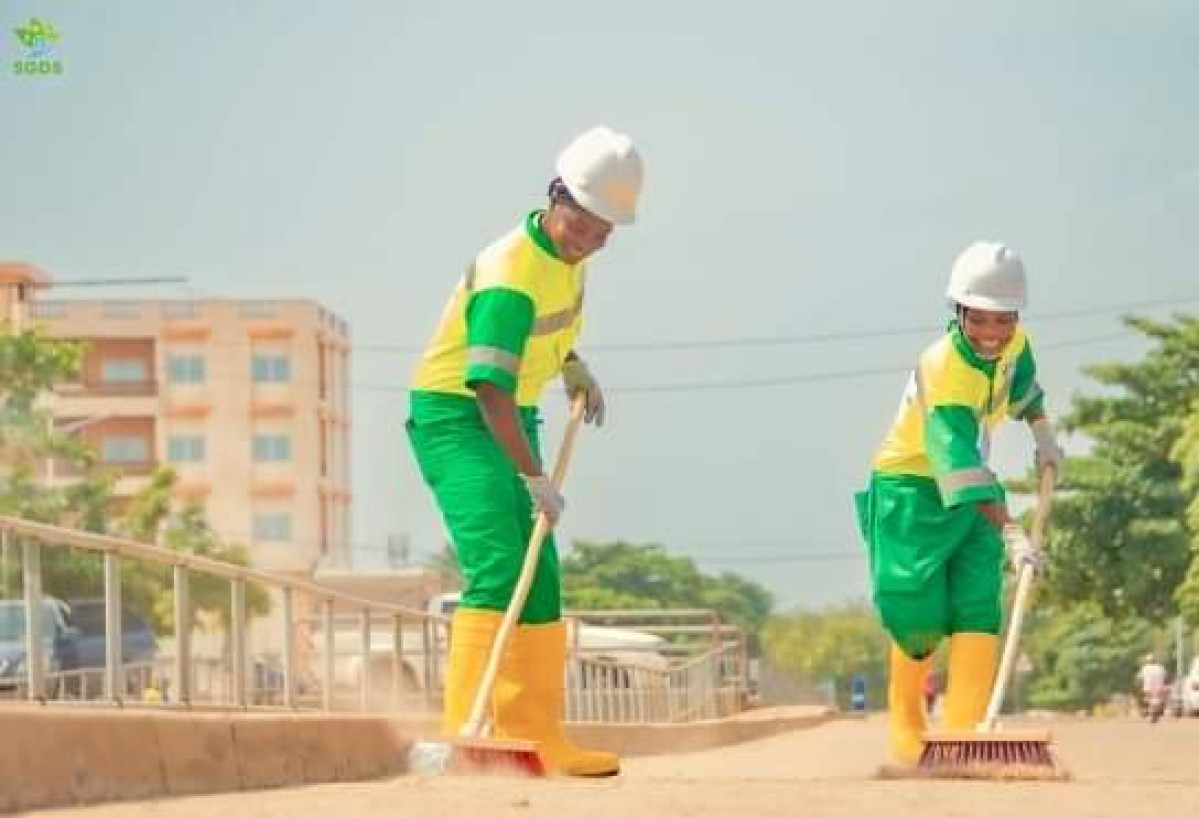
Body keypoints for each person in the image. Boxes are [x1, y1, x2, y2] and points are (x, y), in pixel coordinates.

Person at [407, 126, 643, 777]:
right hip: (458, 417)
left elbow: (545, 333)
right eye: (583, 224)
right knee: (498, 564)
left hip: (516, 413)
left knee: (539, 574)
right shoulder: (510, 271)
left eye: (603, 232)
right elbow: (486, 387)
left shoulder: (566, 262)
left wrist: (571, 363)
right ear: (555, 196)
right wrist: (533, 475)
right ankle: (467, 734)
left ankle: (539, 736)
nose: (589, 240)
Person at [854, 241, 1064, 765]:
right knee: (918, 615)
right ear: (959, 312)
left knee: (977, 606)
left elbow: (1023, 389)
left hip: (976, 490)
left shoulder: (1016, 346)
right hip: (914, 489)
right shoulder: (944, 367)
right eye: (981, 321)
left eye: (1004, 321)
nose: (993, 335)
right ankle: (909, 731)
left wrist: (1041, 430)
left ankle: (966, 735)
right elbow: (960, 472)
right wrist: (1013, 532)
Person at [1136, 653, 1168, 719]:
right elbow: (1166, 677)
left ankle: (1144, 709)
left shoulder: (1144, 668)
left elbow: (1139, 678)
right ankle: (1159, 709)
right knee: (1165, 697)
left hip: (1148, 689)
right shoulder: (1160, 667)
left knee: (1141, 697)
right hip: (1159, 689)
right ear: (1155, 660)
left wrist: (1138, 684)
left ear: (1148, 661)